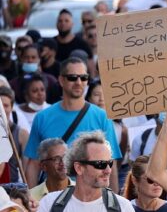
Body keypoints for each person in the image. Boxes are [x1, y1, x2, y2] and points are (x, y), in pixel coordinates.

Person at [24, 57, 121, 192]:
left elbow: (111, 164)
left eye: (83, 77)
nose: (78, 82)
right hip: (54, 197)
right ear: (61, 80)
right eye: (72, 77)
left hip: (92, 197)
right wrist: (31, 199)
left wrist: (114, 200)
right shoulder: (42, 118)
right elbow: (34, 163)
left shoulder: (102, 117)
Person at [37, 131, 134, 212]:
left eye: (110, 163)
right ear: (79, 168)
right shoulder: (49, 204)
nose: (108, 170)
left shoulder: (123, 207)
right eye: (100, 164)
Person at [85, 79, 129, 189]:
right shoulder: (84, 123)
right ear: (89, 97)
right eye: (96, 94)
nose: (101, 99)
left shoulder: (121, 127)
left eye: (105, 94)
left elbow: (117, 163)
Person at [0, 86, 29, 183]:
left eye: (6, 105)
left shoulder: (22, 134)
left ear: (12, 107)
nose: (2, 109)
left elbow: (26, 170)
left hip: (12, 189)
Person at [53, 9, 95, 75]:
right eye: (60, 21)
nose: (63, 23)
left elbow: (91, 69)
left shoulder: (82, 45)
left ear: (72, 24)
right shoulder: (52, 44)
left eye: (66, 21)